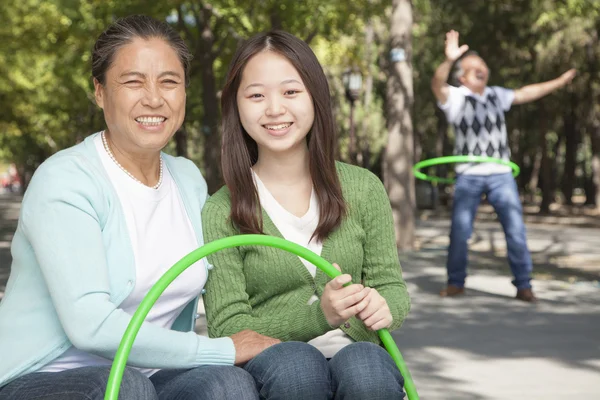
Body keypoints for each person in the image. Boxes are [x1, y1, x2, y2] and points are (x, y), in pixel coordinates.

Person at [0, 15, 278, 400]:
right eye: (133, 81)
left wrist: (321, 306)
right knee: (130, 389)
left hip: (152, 376)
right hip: (42, 377)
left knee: (228, 385)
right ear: (99, 92)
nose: (154, 98)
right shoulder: (65, 180)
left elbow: (232, 278)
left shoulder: (187, 178)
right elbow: (90, 326)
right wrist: (224, 350)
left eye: (169, 81)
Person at [201, 30, 410, 400]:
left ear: (315, 96)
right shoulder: (222, 209)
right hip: (275, 368)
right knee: (298, 367)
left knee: (367, 368)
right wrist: (319, 318)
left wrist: (385, 307)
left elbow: (390, 287)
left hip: (358, 354)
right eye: (256, 95)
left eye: (291, 92)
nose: (275, 109)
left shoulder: (363, 188)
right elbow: (228, 328)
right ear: (237, 106)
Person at [431, 30, 577, 302]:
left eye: (482, 65)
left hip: (500, 174)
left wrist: (559, 81)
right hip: (468, 175)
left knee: (515, 229)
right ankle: (455, 283)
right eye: (472, 67)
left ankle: (524, 285)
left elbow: (527, 92)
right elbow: (437, 82)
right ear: (462, 76)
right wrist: (449, 60)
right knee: (460, 232)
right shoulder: (455, 98)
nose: (480, 68)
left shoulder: (497, 95)